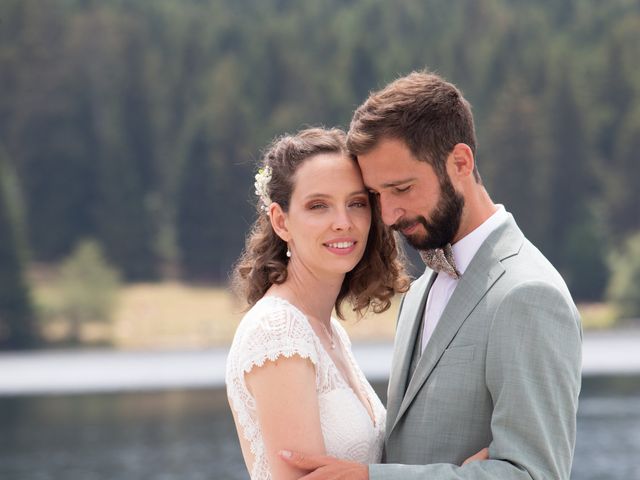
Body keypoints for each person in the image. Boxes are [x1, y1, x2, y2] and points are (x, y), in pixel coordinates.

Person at [280, 71, 583, 479]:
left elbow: (534, 474)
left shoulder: (527, 294)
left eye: (402, 189)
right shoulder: (420, 290)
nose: (387, 215)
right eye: (377, 195)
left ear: (460, 162)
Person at [225, 127, 410, 480]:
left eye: (356, 203)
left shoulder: (330, 331)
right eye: (318, 206)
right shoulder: (277, 330)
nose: (343, 223)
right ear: (281, 221)